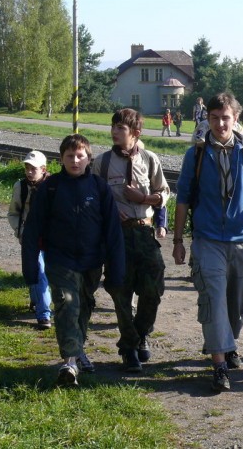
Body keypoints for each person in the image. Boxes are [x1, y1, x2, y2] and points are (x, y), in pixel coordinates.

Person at [172, 93, 243, 393]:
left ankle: (229, 343)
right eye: (214, 118)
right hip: (208, 239)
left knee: (238, 303)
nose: (219, 123)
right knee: (214, 298)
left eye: (225, 118)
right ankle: (219, 364)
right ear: (208, 119)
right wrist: (178, 240)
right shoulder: (197, 154)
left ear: (236, 119)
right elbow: (183, 198)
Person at [22, 134, 125, 387]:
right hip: (60, 259)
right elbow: (33, 228)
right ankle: (69, 361)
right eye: (70, 156)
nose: (75, 160)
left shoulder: (100, 188)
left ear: (89, 159)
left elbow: (112, 230)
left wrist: (116, 268)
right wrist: (30, 267)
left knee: (84, 306)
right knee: (67, 304)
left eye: (80, 156)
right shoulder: (50, 187)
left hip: (91, 261)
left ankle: (78, 352)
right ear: (61, 159)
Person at [91, 109, 170, 373]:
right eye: (113, 126)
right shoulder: (101, 163)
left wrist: (144, 199)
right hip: (117, 236)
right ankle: (129, 349)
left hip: (145, 233)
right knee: (120, 293)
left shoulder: (149, 159)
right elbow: (93, 199)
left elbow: (164, 193)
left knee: (153, 290)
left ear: (135, 133)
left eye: (121, 128)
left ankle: (140, 334)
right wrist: (110, 211)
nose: (114, 132)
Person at [7, 150, 52, 330]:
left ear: (43, 169)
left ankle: (36, 300)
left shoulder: (53, 186)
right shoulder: (21, 186)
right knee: (37, 270)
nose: (29, 171)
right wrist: (21, 232)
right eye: (27, 167)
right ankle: (44, 315)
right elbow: (13, 212)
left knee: (46, 273)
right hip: (30, 236)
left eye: (33, 168)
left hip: (51, 236)